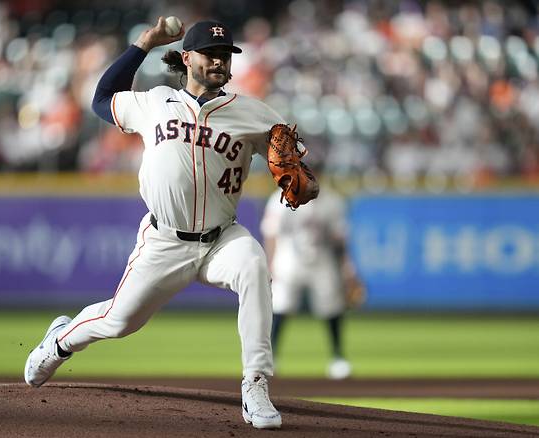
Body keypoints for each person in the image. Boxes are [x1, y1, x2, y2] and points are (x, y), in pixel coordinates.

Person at [24, 17, 316, 430]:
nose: (219, 61)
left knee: (253, 265)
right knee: (119, 321)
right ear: (186, 58)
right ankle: (60, 340)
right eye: (210, 54)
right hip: (164, 240)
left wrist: (301, 177)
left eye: (225, 55)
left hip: (222, 239)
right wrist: (143, 43)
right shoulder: (154, 101)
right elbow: (101, 98)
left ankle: (255, 383)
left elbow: (296, 164)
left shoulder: (255, 114)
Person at [260, 183, 360, 380]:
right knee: (281, 306)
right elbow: (271, 234)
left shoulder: (332, 200)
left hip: (321, 255)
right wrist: (269, 264)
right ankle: (271, 359)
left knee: (332, 306)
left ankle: (338, 358)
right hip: (289, 254)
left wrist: (347, 268)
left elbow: (339, 239)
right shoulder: (280, 197)